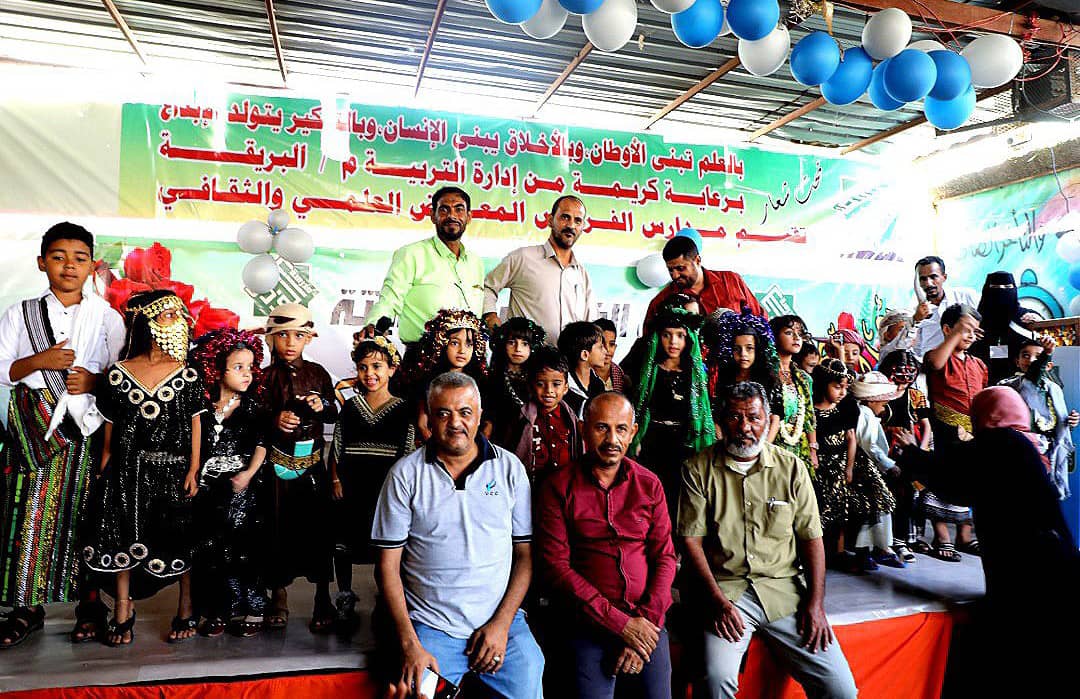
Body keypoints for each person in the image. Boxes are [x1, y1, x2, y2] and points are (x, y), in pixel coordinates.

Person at [894, 387, 1080, 692]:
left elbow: (953, 479)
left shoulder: (1000, 443)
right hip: (1054, 564)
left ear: (987, 414)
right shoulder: (1020, 444)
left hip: (1030, 570)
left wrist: (912, 452)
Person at [678, 381, 856, 699]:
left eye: (754, 417)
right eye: (735, 417)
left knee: (840, 688)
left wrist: (816, 605)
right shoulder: (698, 469)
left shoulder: (792, 468)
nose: (745, 427)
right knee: (716, 681)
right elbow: (691, 541)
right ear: (721, 421)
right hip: (727, 594)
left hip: (784, 592)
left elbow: (812, 539)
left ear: (768, 420)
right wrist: (717, 603)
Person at [372, 372, 544, 699]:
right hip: (431, 629)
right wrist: (410, 644)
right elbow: (386, 568)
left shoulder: (509, 469)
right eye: (443, 413)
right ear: (429, 418)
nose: (455, 423)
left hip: (501, 623)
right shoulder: (405, 475)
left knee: (530, 671)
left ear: (479, 416)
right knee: (415, 692)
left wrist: (502, 624)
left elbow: (525, 557)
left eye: (465, 412)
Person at [0, 222, 125, 648]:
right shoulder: (20, 313)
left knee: (84, 515)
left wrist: (94, 382)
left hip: (85, 428)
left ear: (92, 265)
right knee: (27, 514)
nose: (69, 266)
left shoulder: (107, 317)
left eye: (79, 258)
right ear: (42, 263)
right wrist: (40, 361)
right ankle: (26, 607)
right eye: (58, 257)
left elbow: (121, 378)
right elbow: (4, 370)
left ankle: (90, 605)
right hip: (33, 426)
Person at [84, 290, 206, 646]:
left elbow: (195, 423)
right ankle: (123, 608)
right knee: (121, 534)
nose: (178, 322)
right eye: (168, 315)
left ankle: (186, 604)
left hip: (172, 469)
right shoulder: (118, 375)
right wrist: (103, 467)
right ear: (145, 322)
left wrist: (193, 468)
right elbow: (111, 428)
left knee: (178, 537)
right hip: (126, 471)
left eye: (179, 315)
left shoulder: (187, 375)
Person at [536, 392, 677, 699]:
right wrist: (621, 624)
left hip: (647, 620)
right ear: (584, 429)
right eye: (602, 428)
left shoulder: (649, 484)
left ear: (633, 432)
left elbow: (665, 557)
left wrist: (644, 626)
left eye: (621, 429)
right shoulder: (558, 487)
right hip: (586, 623)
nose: (612, 439)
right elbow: (557, 568)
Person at [258, 303, 339, 633]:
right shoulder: (264, 378)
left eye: (298, 335)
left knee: (319, 531)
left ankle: (323, 597)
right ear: (271, 339)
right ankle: (278, 595)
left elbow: (334, 413)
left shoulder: (318, 373)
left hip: (313, 468)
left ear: (309, 338)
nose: (291, 342)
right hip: (276, 470)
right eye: (283, 335)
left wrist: (323, 404)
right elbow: (252, 417)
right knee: (276, 529)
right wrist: (274, 419)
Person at [329, 335, 415, 631]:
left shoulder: (403, 409)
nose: (370, 374)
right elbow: (337, 446)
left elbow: (407, 452)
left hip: (384, 488)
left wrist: (399, 491)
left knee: (384, 545)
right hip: (351, 486)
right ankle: (345, 595)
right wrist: (336, 478)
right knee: (344, 543)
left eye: (377, 366)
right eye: (363, 367)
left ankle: (387, 597)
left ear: (392, 369)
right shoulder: (351, 407)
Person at [190, 329, 268, 638]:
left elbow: (263, 444)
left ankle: (254, 609)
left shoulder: (252, 408)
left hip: (242, 490)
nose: (247, 374)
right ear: (217, 368)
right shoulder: (202, 408)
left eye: (250, 367)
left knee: (244, 550)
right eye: (238, 367)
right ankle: (219, 610)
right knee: (212, 551)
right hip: (210, 490)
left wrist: (248, 475)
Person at [360, 187, 485, 344]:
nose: (452, 215)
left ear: (469, 217)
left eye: (459, 209)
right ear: (433, 216)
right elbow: (390, 300)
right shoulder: (411, 254)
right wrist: (373, 325)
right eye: (444, 210)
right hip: (422, 355)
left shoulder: (475, 262)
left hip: (469, 355)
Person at [631, 307, 714, 516]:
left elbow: (701, 412)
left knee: (678, 499)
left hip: (682, 444)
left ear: (689, 339)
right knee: (649, 495)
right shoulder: (650, 370)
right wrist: (637, 439)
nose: (673, 342)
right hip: (652, 442)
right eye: (667, 335)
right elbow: (640, 405)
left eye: (680, 336)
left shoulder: (694, 374)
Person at [920, 303, 986, 562]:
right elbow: (935, 363)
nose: (969, 335)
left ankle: (965, 536)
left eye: (973, 331)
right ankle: (942, 537)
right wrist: (957, 334)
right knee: (942, 481)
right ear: (947, 329)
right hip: (945, 430)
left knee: (969, 482)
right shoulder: (936, 357)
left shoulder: (978, 364)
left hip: (972, 431)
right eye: (964, 329)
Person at [482, 196, 596, 344]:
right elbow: (488, 287)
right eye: (565, 217)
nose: (571, 225)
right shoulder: (523, 258)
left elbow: (590, 325)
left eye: (578, 221)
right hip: (526, 357)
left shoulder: (581, 274)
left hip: (566, 358)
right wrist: (491, 317)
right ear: (550, 220)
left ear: (583, 227)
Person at [998, 336, 1078, 499]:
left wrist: (1069, 423)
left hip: (1046, 456)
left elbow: (1055, 426)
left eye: (1037, 356)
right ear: (1017, 361)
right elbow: (1032, 377)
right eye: (1026, 355)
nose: (1031, 360)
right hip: (1017, 456)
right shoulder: (1008, 387)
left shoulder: (1054, 390)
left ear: (1049, 366)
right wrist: (1046, 354)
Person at [876, 350, 932, 563]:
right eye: (900, 371)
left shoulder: (916, 395)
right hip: (884, 448)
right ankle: (883, 542)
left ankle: (904, 540)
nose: (906, 377)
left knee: (909, 495)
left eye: (911, 372)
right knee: (886, 493)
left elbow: (926, 425)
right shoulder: (880, 394)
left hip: (910, 448)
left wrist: (921, 451)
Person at [401, 308, 488, 442]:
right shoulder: (427, 383)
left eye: (469, 344)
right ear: (441, 344)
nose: (462, 350)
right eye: (454, 343)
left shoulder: (481, 384)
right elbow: (422, 425)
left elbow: (486, 427)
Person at [496, 344, 581, 481]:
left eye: (556, 384)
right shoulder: (520, 419)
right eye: (540, 384)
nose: (549, 390)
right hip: (531, 487)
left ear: (566, 387)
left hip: (566, 488)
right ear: (530, 386)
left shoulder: (571, 419)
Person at [642, 237, 764, 331]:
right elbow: (650, 344)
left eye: (680, 268)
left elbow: (759, 320)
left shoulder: (731, 281)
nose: (675, 275)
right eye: (670, 270)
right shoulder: (661, 301)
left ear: (697, 260)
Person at [849, 372, 903, 571]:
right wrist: (889, 465)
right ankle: (871, 551)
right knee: (874, 510)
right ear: (872, 400)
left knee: (873, 511)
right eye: (883, 402)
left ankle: (875, 549)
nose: (884, 406)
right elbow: (870, 446)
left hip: (868, 469)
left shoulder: (864, 413)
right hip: (867, 470)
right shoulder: (865, 416)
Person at [767, 315, 818, 474]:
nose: (797, 338)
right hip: (771, 444)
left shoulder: (803, 378)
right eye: (789, 332)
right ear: (774, 336)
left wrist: (813, 449)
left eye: (800, 334)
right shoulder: (765, 373)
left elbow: (809, 417)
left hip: (799, 446)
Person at [972, 270, 1043, 383]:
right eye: (995, 287)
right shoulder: (974, 321)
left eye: (1007, 287)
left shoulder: (1027, 317)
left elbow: (1042, 346)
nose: (1002, 291)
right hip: (980, 379)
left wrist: (1040, 324)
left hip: (1020, 382)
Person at [482, 317, 546, 442]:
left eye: (525, 344)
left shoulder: (538, 378)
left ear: (532, 346)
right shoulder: (491, 379)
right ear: (503, 344)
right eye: (512, 342)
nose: (518, 349)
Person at [706, 309, 777, 419]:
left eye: (749, 348)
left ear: (757, 350)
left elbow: (775, 415)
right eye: (737, 349)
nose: (743, 354)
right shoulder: (720, 378)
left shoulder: (768, 379)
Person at [910, 256, 977, 361]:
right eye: (923, 279)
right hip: (933, 365)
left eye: (933, 277)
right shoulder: (915, 311)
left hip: (963, 363)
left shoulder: (965, 296)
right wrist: (915, 320)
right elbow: (915, 347)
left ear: (944, 277)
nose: (928, 283)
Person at [558, 321, 606, 419]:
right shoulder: (562, 388)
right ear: (584, 355)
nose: (605, 351)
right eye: (600, 347)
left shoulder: (598, 385)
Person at [593, 317, 631, 394]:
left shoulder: (619, 374)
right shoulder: (584, 372)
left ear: (615, 346)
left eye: (611, 344)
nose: (607, 349)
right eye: (602, 344)